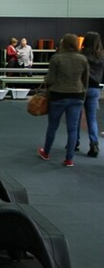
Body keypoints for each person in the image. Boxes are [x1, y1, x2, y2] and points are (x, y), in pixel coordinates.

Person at [38, 34, 89, 167]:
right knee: (73, 129)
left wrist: (45, 79)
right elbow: (85, 81)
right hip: (77, 95)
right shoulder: (82, 59)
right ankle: (69, 159)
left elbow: (51, 80)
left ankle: (46, 152)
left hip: (58, 95)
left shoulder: (56, 58)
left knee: (53, 126)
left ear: (63, 44)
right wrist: (83, 96)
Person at [77, 32, 104, 157]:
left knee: (76, 117)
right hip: (95, 89)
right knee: (91, 118)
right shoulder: (101, 57)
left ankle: (74, 142)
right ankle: (94, 144)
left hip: (80, 88)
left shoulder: (81, 56)